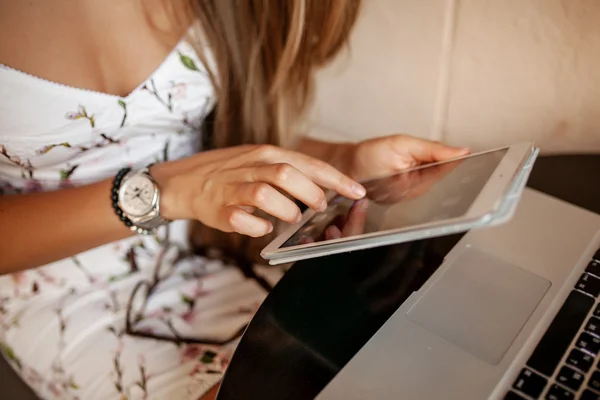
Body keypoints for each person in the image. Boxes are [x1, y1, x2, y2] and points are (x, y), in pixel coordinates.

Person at [0, 0, 469, 399]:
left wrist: (346, 159)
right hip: (69, 294)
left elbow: (220, 144)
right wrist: (162, 193)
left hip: (222, 242)